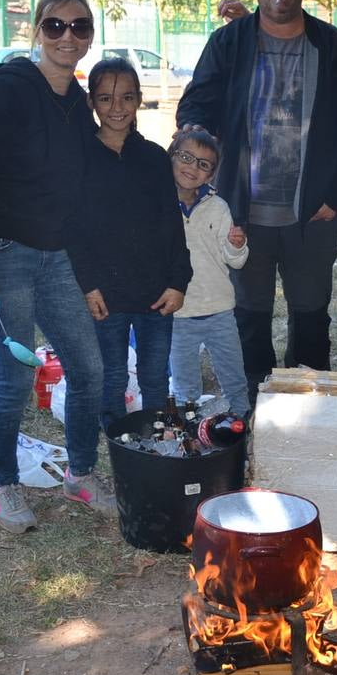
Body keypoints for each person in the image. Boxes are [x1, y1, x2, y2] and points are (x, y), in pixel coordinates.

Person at [176, 0, 337, 403]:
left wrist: (334, 195)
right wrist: (197, 142)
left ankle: (306, 410)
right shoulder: (230, 42)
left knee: (312, 314)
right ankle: (255, 405)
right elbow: (196, 103)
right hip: (243, 212)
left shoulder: (334, 46)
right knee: (248, 314)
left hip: (312, 214)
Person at [0, 0, 109, 534]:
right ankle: (2, 484)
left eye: (80, 26)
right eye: (55, 26)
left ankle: (82, 473)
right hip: (3, 253)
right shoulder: (8, 88)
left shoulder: (77, 102)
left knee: (89, 370)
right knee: (16, 377)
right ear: (36, 30)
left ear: (90, 35)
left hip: (58, 257)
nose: (68, 37)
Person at [68, 57, 191, 430]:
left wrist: (178, 282)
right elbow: (73, 229)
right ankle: (119, 440)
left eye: (126, 98)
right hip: (106, 296)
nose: (116, 108)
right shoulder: (79, 158)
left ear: (139, 100)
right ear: (91, 103)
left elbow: (172, 224)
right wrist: (89, 286)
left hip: (156, 294)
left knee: (155, 377)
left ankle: (155, 438)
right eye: (105, 99)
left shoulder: (154, 158)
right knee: (112, 378)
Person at [167, 127, 251, 419]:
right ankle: (188, 433)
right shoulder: (157, 204)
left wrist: (236, 245)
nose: (193, 168)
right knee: (184, 385)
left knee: (234, 379)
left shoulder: (218, 207)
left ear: (212, 174)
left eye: (204, 164)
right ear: (172, 156)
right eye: (187, 157)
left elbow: (236, 261)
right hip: (178, 314)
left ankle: (241, 427)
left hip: (220, 312)